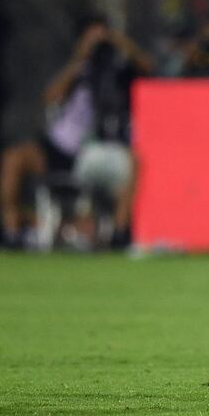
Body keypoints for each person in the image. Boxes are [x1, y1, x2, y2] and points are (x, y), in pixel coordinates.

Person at [41, 13, 153, 249]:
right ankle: (16, 232)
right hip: (72, 150)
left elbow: (148, 68)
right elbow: (50, 98)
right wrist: (80, 58)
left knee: (133, 162)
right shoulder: (79, 70)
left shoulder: (118, 70)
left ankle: (120, 234)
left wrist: (119, 42)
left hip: (106, 148)